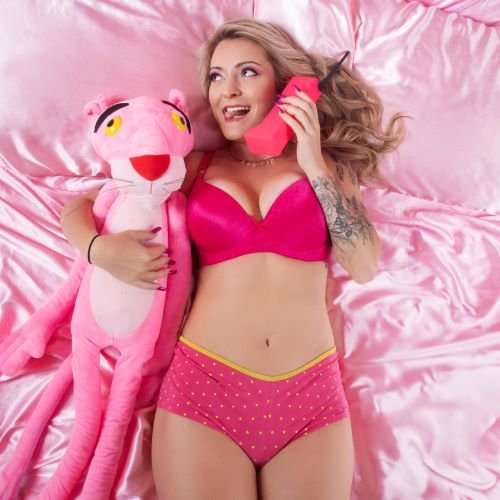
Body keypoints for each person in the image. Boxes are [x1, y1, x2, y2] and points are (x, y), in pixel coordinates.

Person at [60, 18, 404, 500]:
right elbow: (80, 207)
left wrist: (311, 160)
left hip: (310, 398)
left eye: (248, 72)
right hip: (204, 390)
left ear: (283, 86)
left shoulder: (327, 166)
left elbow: (363, 264)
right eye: (216, 77)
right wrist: (100, 250)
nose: (228, 90)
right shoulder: (193, 168)